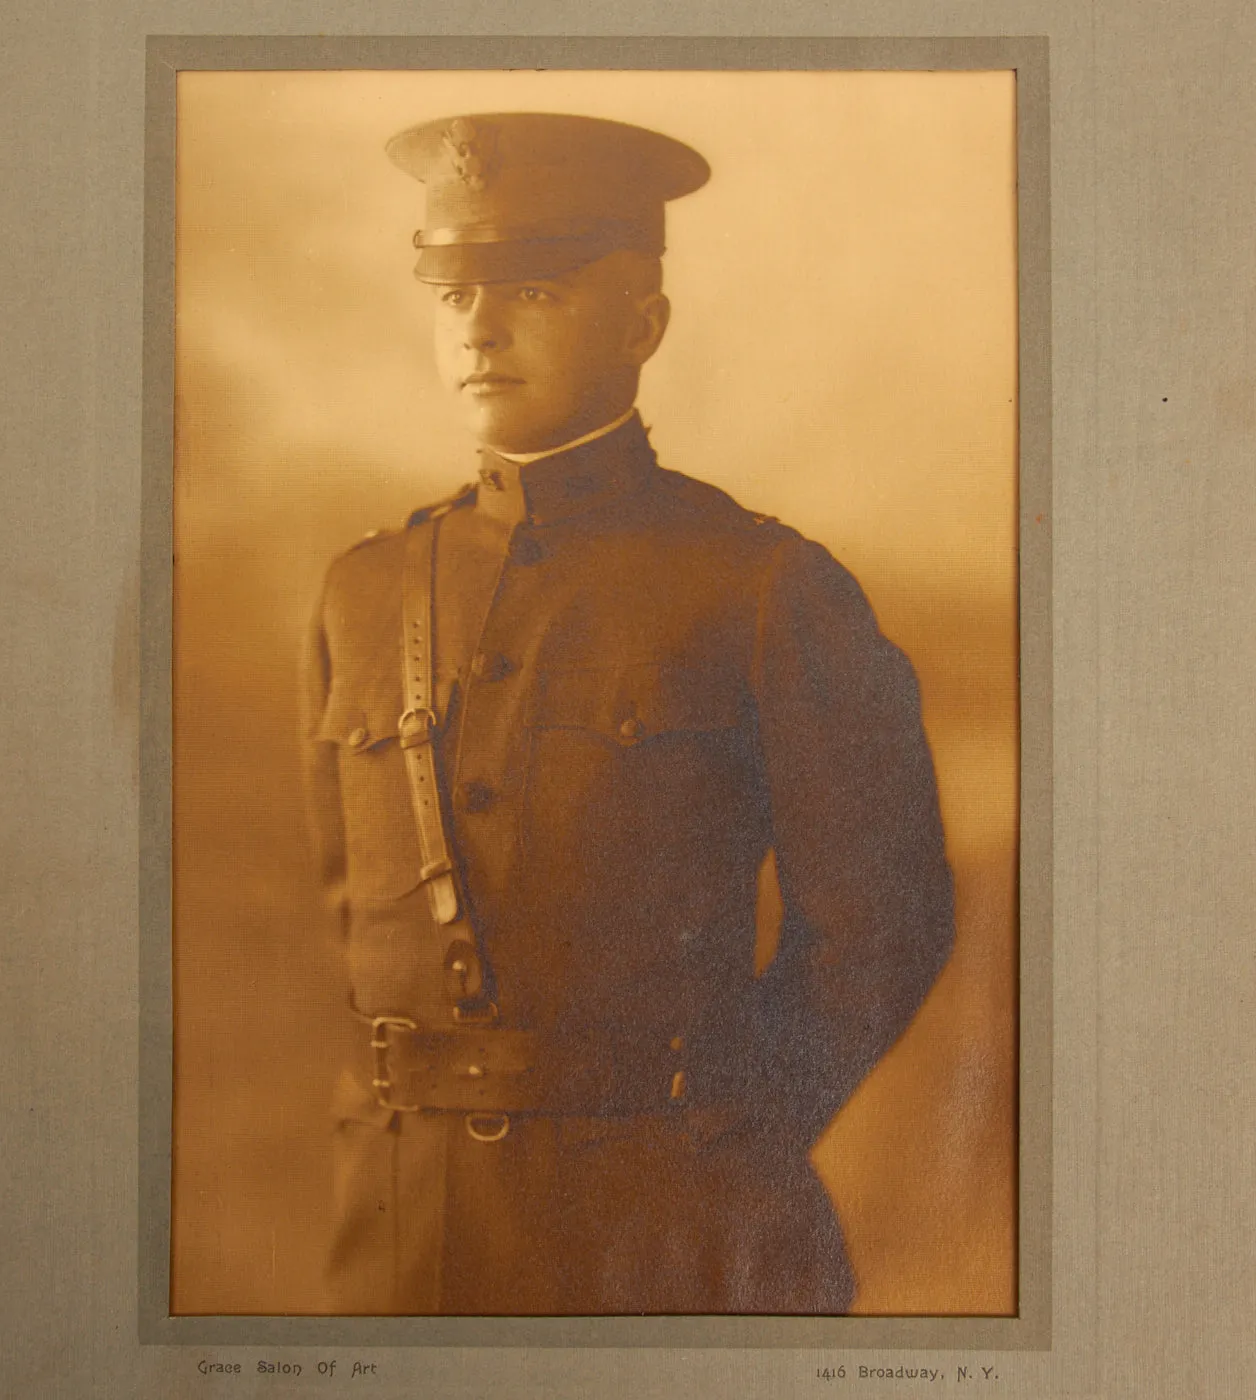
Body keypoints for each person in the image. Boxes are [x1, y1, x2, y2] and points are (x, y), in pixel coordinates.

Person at [299, 111, 955, 1315]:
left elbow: (881, 923)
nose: (480, 331)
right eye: (454, 299)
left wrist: (726, 1133)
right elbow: (348, 924)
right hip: (400, 1241)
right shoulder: (364, 588)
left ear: (641, 323)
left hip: (668, 1233)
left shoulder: (759, 587)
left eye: (534, 291)